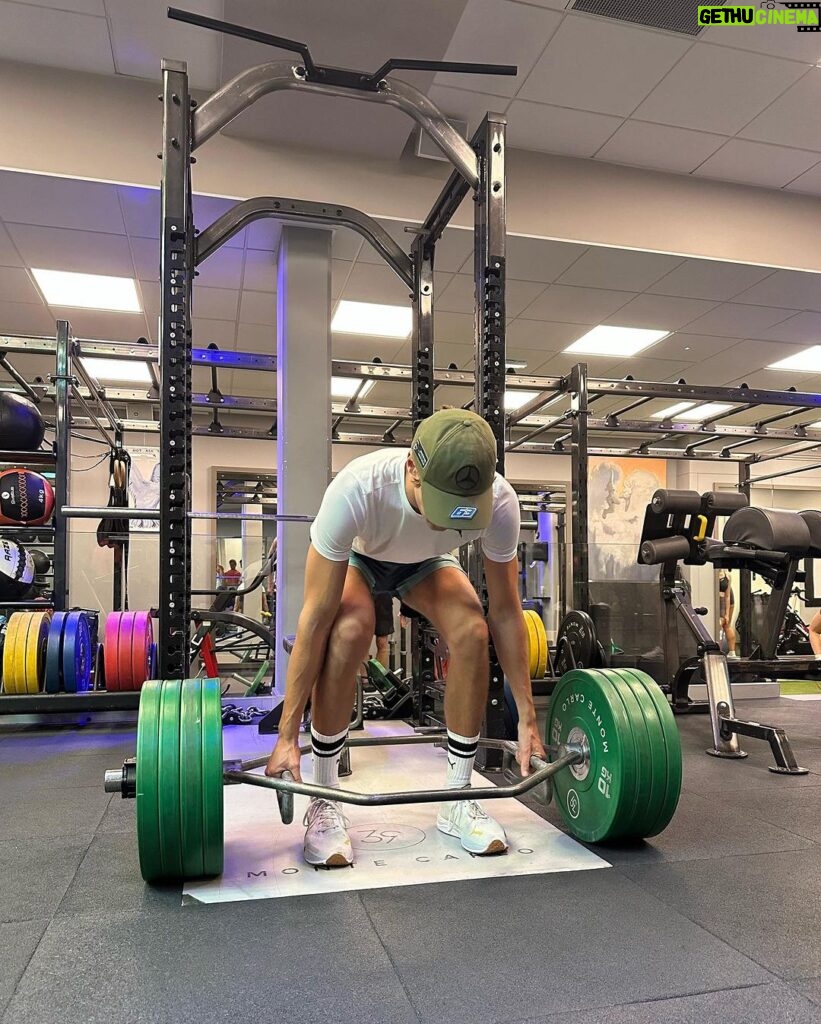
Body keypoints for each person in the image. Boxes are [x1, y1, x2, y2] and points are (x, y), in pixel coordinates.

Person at [265, 408, 545, 867]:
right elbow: (313, 619)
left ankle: (456, 799)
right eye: (439, 502)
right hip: (362, 557)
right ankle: (325, 797)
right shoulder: (358, 489)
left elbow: (508, 612)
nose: (447, 519)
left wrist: (528, 716)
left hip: (426, 566)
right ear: (411, 469)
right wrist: (286, 734)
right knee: (349, 629)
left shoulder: (501, 502)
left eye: (461, 507)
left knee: (473, 629)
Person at [719, 570, 737, 658]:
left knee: (725, 624)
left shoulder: (726, 575)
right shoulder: (726, 575)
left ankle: (732, 652)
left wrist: (726, 614)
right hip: (723, 599)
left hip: (725, 600)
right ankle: (731, 652)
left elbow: (727, 597)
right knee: (725, 625)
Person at [373, 592, 394, 670]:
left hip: (383, 598)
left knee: (382, 642)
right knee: (362, 643)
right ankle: (364, 680)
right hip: (362, 594)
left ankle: (378, 679)